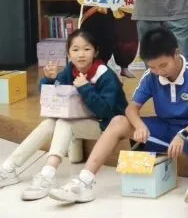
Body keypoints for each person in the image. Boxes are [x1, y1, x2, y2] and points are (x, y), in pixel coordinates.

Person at [49, 27, 188, 208]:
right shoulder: (151, 75)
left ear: (176, 53)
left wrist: (183, 134)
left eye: (163, 65)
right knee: (118, 121)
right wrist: (139, 125)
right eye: (152, 67)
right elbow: (131, 109)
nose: (159, 72)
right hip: (165, 128)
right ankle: (84, 182)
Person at [0, 30, 127, 201]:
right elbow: (53, 97)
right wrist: (50, 80)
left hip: (107, 126)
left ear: (95, 52)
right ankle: (9, 168)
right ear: (68, 53)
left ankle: (47, 175)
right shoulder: (71, 70)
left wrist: (85, 88)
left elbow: (106, 111)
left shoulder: (105, 75)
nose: (81, 54)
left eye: (87, 49)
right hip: (83, 120)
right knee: (49, 123)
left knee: (63, 123)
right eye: (75, 49)